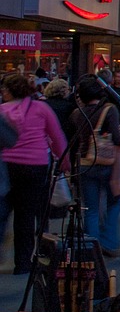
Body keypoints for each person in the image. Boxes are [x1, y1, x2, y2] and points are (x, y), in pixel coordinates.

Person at [1, 73, 69, 274]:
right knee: (26, 215)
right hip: (35, 166)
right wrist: (64, 163)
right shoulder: (41, 108)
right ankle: (22, 263)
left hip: (5, 165)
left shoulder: (2, 111)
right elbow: (57, 137)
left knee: (3, 212)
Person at [72, 76, 120, 257]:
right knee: (114, 202)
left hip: (85, 163)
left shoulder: (77, 113)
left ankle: (91, 248)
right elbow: (117, 139)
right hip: (107, 162)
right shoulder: (110, 110)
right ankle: (109, 241)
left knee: (91, 209)